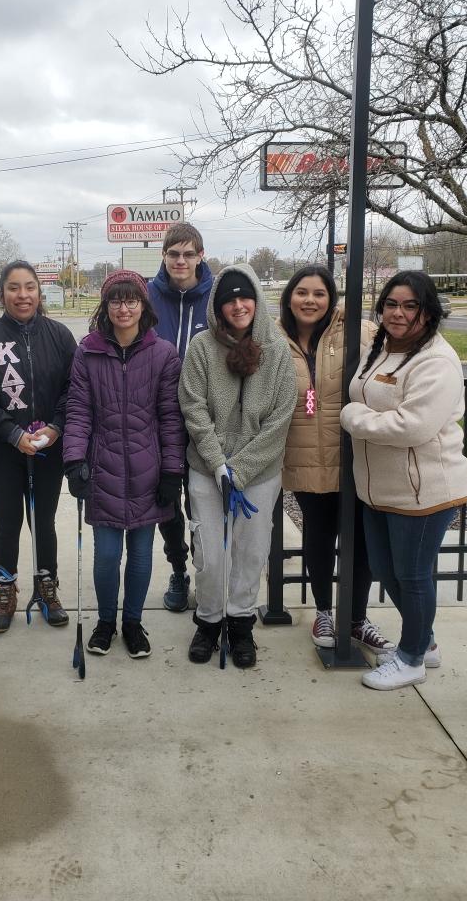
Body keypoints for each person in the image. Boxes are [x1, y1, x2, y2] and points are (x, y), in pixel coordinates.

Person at [340, 270, 467, 690]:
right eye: (391, 304)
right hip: (380, 489)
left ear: (427, 310)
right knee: (385, 568)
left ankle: (413, 657)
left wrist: (353, 418)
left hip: (423, 491)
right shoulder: (381, 348)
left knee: (412, 576)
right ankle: (424, 642)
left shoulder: (437, 360)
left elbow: (412, 427)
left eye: (410, 305)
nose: (398, 313)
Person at [63, 270, 185, 658]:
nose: (124, 307)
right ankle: (105, 622)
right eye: (116, 300)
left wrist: (172, 470)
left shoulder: (164, 353)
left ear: (143, 305)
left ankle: (132, 623)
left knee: (142, 554)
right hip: (104, 470)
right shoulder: (88, 352)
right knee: (108, 555)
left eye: (132, 299)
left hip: (150, 471)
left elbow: (170, 416)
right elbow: (79, 411)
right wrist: (74, 460)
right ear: (106, 306)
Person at [179, 264, 296, 668]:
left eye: (244, 296)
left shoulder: (278, 350)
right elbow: (193, 408)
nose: (238, 304)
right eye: (229, 298)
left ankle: (241, 621)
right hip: (207, 469)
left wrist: (240, 470)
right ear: (218, 304)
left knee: (249, 552)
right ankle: (209, 620)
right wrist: (219, 466)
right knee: (209, 553)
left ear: (257, 299)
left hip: (259, 472)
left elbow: (281, 418)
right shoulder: (201, 348)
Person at [279, 264, 395, 654]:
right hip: (303, 454)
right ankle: (324, 610)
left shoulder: (354, 333)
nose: (309, 300)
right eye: (302, 292)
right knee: (318, 534)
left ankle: (357, 618)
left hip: (351, 455)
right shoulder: (276, 338)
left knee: (359, 538)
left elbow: (394, 351)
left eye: (319, 293)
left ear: (331, 299)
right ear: (289, 297)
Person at [0, 261, 76, 633]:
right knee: (7, 524)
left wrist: (56, 428)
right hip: (3, 452)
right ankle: (6, 589)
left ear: (39, 292)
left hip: (48, 450)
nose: (23, 295)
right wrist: (12, 434)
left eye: (30, 287)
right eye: (14, 288)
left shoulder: (60, 336)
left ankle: (47, 585)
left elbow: (73, 391)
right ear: (3, 293)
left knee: (43, 523)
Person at [147, 222, 214, 612]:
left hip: (206, 421)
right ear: (165, 256)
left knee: (203, 506)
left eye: (189, 254)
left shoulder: (217, 296)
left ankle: (208, 573)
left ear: (200, 256)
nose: (181, 261)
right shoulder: (148, 297)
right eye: (174, 254)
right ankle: (178, 571)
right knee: (168, 504)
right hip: (159, 421)